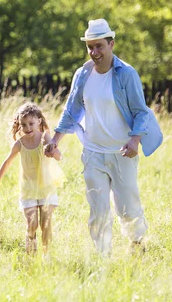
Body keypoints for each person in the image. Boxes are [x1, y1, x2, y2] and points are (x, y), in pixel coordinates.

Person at [45, 19, 163, 255]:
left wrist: (134, 140)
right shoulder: (83, 74)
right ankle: (103, 256)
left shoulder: (126, 74)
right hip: (93, 152)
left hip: (122, 152)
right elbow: (72, 109)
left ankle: (137, 246)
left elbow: (140, 111)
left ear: (111, 44)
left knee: (128, 208)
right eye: (90, 47)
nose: (94, 52)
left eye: (99, 46)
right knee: (98, 209)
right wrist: (55, 140)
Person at [0, 103, 64, 256]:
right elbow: (7, 161)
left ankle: (46, 256)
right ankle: (30, 254)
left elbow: (59, 156)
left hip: (46, 188)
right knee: (32, 224)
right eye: (23, 124)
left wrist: (52, 150)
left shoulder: (45, 137)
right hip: (28, 189)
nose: (28, 127)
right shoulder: (20, 144)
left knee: (46, 223)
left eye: (31, 123)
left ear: (39, 121)